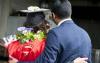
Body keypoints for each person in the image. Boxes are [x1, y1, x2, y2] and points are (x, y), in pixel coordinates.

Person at [17, 0, 92, 63]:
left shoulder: (55, 33)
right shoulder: (85, 34)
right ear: (70, 13)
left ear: (53, 15)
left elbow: (46, 61)